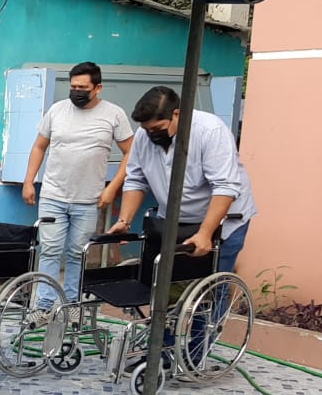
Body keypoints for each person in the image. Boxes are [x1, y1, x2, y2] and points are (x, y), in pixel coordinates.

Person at [22, 61, 135, 324]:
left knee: (76, 253)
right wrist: (29, 181)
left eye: (83, 88)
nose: (77, 92)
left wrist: (112, 187)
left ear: (98, 88)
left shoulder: (114, 114)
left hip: (88, 200)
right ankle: (43, 307)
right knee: (49, 250)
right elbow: (39, 146)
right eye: (73, 87)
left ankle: (72, 305)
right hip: (53, 195)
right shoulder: (57, 110)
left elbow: (132, 152)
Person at [108, 85, 257, 273]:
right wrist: (124, 221)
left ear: (177, 114)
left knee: (211, 281)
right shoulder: (143, 136)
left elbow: (225, 186)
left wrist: (205, 233)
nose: (151, 134)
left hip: (220, 221)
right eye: (147, 129)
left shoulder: (210, 131)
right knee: (165, 277)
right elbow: (136, 179)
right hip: (173, 221)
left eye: (157, 128)